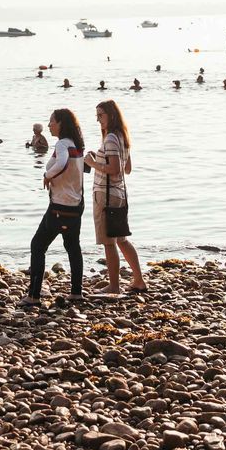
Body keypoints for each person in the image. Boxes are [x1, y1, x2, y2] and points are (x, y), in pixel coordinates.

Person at [21, 108, 86, 307]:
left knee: (37, 246)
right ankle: (76, 292)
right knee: (73, 247)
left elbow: (62, 164)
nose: (49, 125)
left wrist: (47, 176)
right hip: (76, 205)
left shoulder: (62, 145)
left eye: (52, 122)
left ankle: (34, 296)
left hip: (59, 207)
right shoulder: (77, 145)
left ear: (61, 124)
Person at [84, 100, 147, 295]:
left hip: (106, 194)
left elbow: (115, 169)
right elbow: (127, 169)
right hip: (120, 193)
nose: (98, 119)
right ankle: (138, 279)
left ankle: (114, 285)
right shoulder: (122, 136)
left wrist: (93, 163)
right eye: (96, 116)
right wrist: (102, 158)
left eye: (100, 115)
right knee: (121, 240)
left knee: (109, 242)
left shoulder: (110, 138)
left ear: (111, 115)